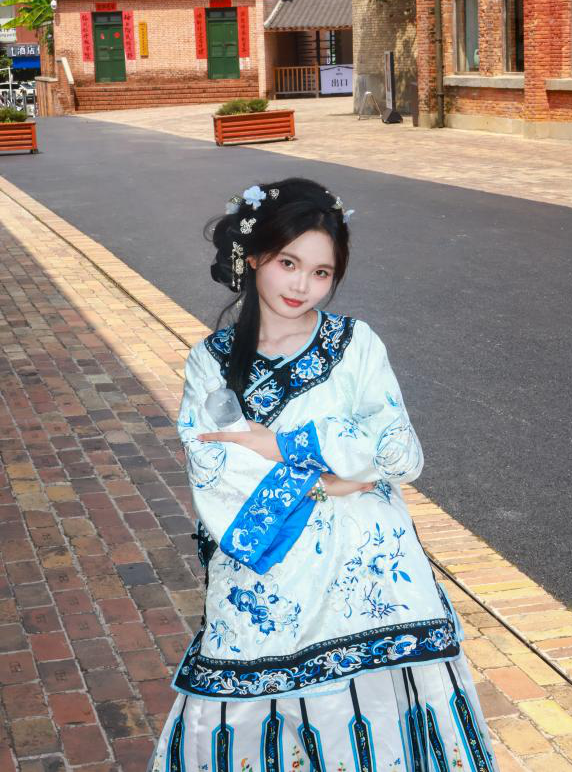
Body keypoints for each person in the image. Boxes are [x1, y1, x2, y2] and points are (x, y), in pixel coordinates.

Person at [149, 178, 498, 771]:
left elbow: (399, 452)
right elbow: (217, 466)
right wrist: (336, 478)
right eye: (288, 263)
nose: (301, 285)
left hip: (370, 581)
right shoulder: (211, 362)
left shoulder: (356, 343)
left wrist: (284, 444)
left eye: (320, 272)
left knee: (377, 734)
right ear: (254, 256)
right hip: (268, 583)